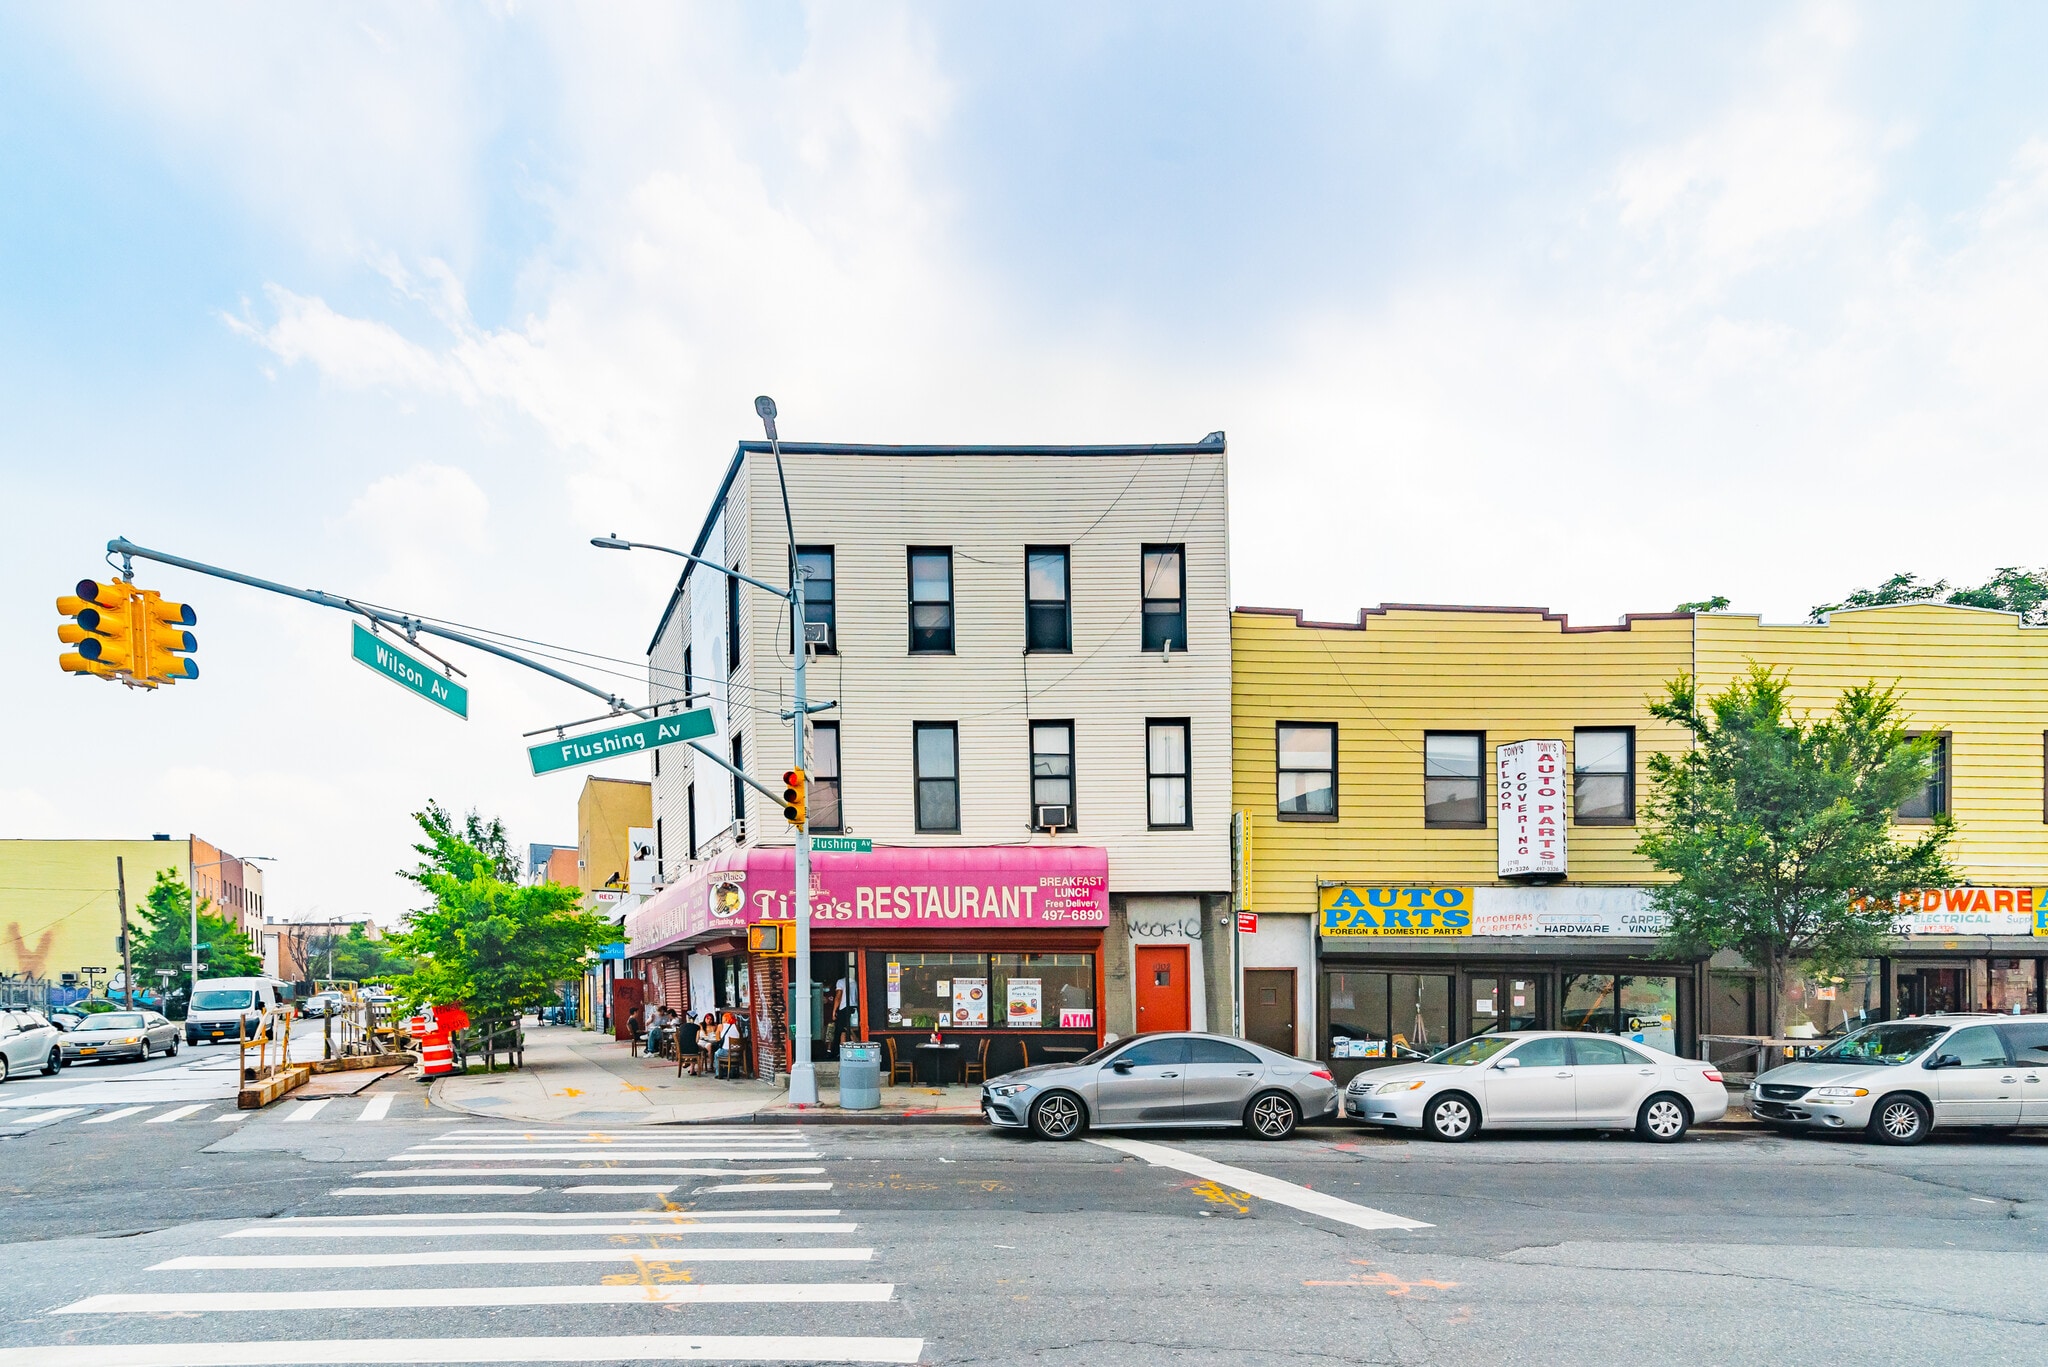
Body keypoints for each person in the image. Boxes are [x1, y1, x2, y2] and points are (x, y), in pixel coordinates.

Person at [714, 1011, 742, 1079]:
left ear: (726, 1019)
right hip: (737, 1052)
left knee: (716, 1054)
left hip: (726, 1051)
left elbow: (717, 1039)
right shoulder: (737, 1026)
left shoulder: (720, 1026)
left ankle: (719, 1073)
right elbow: (740, 1037)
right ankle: (732, 1071)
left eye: (723, 1019)